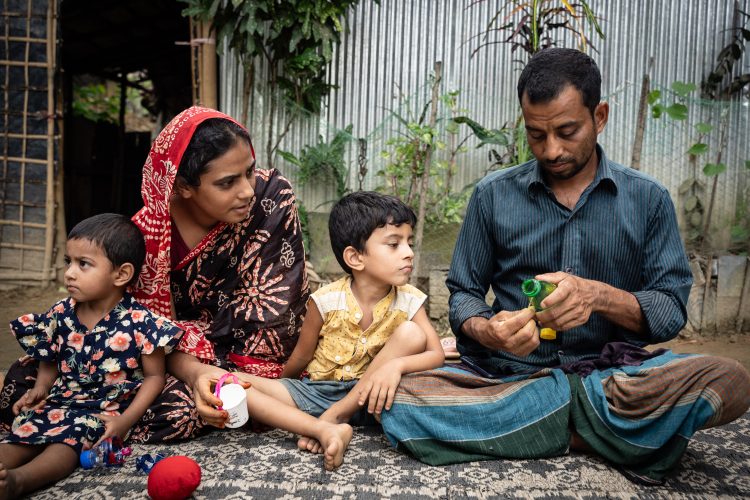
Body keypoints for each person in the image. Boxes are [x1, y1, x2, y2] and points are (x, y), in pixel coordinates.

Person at [379, 48, 750, 484]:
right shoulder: (493, 195)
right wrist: (487, 329)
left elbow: (669, 311)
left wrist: (599, 297)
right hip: (510, 376)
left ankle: (540, 424)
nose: (551, 149)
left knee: (730, 380)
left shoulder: (648, 200)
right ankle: (600, 434)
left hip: (612, 376)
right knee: (398, 401)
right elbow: (463, 294)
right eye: (537, 135)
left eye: (567, 131)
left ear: (601, 116)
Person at [0, 107, 309, 442]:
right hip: (173, 353)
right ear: (183, 187)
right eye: (226, 183)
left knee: (181, 408)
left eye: (248, 172)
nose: (247, 190)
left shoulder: (269, 199)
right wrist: (195, 372)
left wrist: (210, 373)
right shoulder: (146, 236)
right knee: (26, 380)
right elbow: (143, 330)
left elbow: (273, 316)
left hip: (245, 352)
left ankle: (248, 392)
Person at [244, 191, 445, 454]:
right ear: (355, 258)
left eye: (410, 243)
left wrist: (397, 365)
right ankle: (325, 425)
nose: (408, 253)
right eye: (394, 244)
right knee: (237, 384)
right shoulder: (325, 301)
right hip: (320, 393)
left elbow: (436, 354)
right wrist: (282, 387)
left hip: (374, 398)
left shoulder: (410, 300)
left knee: (411, 333)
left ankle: (331, 418)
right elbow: (301, 357)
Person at [0, 214, 181, 497]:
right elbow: (50, 355)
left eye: (83, 264)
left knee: (69, 443)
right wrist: (41, 387)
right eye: (68, 262)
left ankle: (19, 482)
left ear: (121, 274)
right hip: (60, 400)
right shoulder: (61, 312)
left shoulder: (141, 322)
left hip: (102, 410)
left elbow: (155, 377)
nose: (70, 273)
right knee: (25, 429)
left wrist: (125, 421)